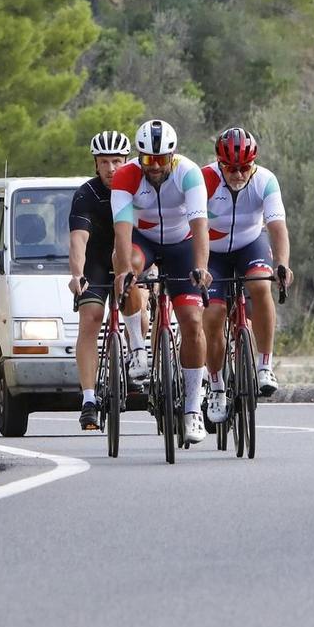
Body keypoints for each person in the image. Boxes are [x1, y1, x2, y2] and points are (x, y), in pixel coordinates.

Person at [110, 119, 213, 446]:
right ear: (138, 156)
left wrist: (201, 267)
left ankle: (194, 408)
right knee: (125, 268)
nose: (154, 167)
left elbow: (200, 225)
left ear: (173, 155)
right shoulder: (126, 176)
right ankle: (138, 349)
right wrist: (126, 271)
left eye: (161, 160)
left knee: (193, 321)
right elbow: (123, 230)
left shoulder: (189, 173)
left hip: (182, 242)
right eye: (148, 160)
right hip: (145, 240)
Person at [200, 126, 293, 424]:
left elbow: (277, 227)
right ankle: (215, 387)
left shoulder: (265, 180)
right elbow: (191, 227)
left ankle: (264, 364)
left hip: (250, 243)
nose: (238, 174)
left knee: (260, 285)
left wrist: (282, 264)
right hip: (212, 252)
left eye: (244, 168)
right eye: (231, 168)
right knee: (213, 316)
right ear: (218, 162)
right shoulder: (204, 180)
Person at [68, 130, 148, 430]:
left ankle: (137, 354)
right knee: (91, 316)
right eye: (104, 162)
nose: (111, 168)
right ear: (95, 164)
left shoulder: (139, 188)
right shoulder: (86, 194)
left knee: (140, 311)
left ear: (127, 161)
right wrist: (77, 275)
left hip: (130, 258)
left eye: (117, 161)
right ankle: (89, 398)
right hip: (96, 261)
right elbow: (78, 240)